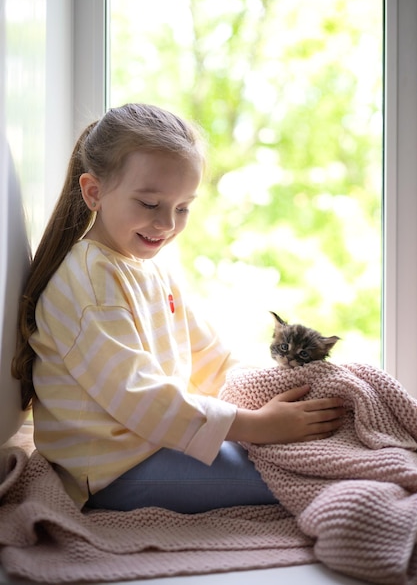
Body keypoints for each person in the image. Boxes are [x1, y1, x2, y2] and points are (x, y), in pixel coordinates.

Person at [12, 103, 345, 513]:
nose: (167, 224)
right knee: (303, 472)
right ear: (94, 191)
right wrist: (258, 426)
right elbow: (140, 396)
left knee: (311, 450)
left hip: (154, 444)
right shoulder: (89, 280)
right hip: (114, 470)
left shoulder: (149, 269)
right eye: (150, 204)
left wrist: (274, 394)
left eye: (183, 207)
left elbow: (210, 358)